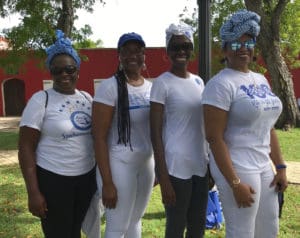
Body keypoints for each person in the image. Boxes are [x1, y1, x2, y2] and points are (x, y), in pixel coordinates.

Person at [201, 9, 288, 238]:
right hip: (238, 167)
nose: (243, 48)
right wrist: (234, 182)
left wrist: (280, 167)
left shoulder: (260, 79)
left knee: (269, 230)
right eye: (236, 43)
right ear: (225, 49)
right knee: (242, 232)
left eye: (248, 42)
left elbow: (268, 127)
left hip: (263, 167)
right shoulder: (219, 85)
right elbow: (214, 137)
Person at [18, 29, 97, 238]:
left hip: (85, 179)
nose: (64, 75)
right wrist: (33, 192)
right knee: (58, 233)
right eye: (57, 70)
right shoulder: (40, 100)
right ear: (50, 72)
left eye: (69, 69)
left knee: (74, 231)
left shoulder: (87, 98)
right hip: (53, 181)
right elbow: (26, 146)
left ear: (77, 71)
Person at [92, 32, 155, 238]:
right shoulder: (109, 87)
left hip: (145, 164)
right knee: (118, 226)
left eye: (138, 51)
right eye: (126, 51)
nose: (132, 55)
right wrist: (107, 182)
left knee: (135, 221)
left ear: (144, 55)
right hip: (119, 164)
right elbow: (99, 137)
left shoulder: (151, 88)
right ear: (119, 55)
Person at [150, 22, 209, 238]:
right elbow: (155, 134)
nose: (181, 51)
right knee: (175, 226)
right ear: (168, 52)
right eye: (175, 47)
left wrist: (209, 165)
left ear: (192, 49)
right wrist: (162, 176)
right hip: (175, 168)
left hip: (200, 165)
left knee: (198, 226)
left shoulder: (199, 82)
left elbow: (204, 126)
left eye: (185, 46)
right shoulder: (162, 83)